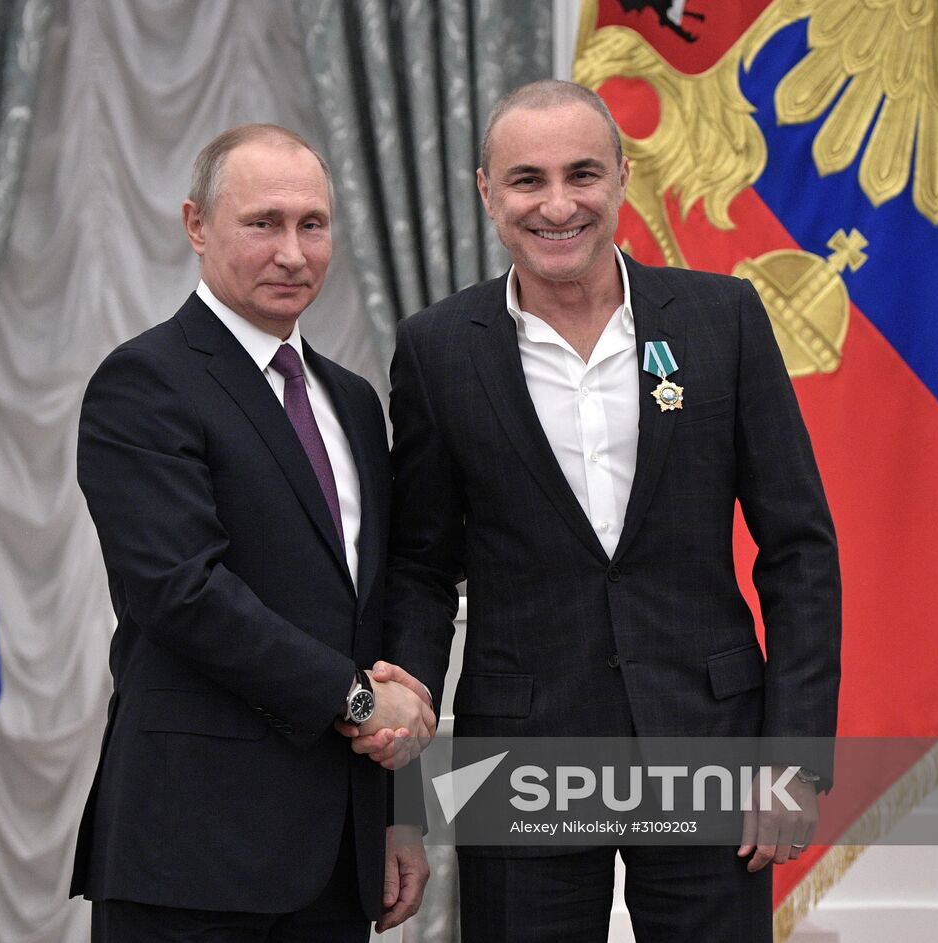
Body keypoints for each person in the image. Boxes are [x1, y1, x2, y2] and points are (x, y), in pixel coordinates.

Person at [373, 80, 842, 941]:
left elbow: (799, 548)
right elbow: (421, 572)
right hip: (522, 752)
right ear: (486, 191)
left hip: (711, 744)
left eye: (583, 173)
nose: (558, 204)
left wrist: (794, 756)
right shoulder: (437, 350)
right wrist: (397, 790)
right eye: (527, 180)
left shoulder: (722, 320)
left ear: (623, 177)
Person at [69, 123, 432, 942]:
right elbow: (181, 593)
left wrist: (398, 807)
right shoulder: (144, 381)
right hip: (193, 851)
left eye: (313, 224)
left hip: (338, 857)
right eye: (263, 223)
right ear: (197, 226)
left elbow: (377, 608)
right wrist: (359, 700)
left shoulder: (351, 398)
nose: (294, 253)